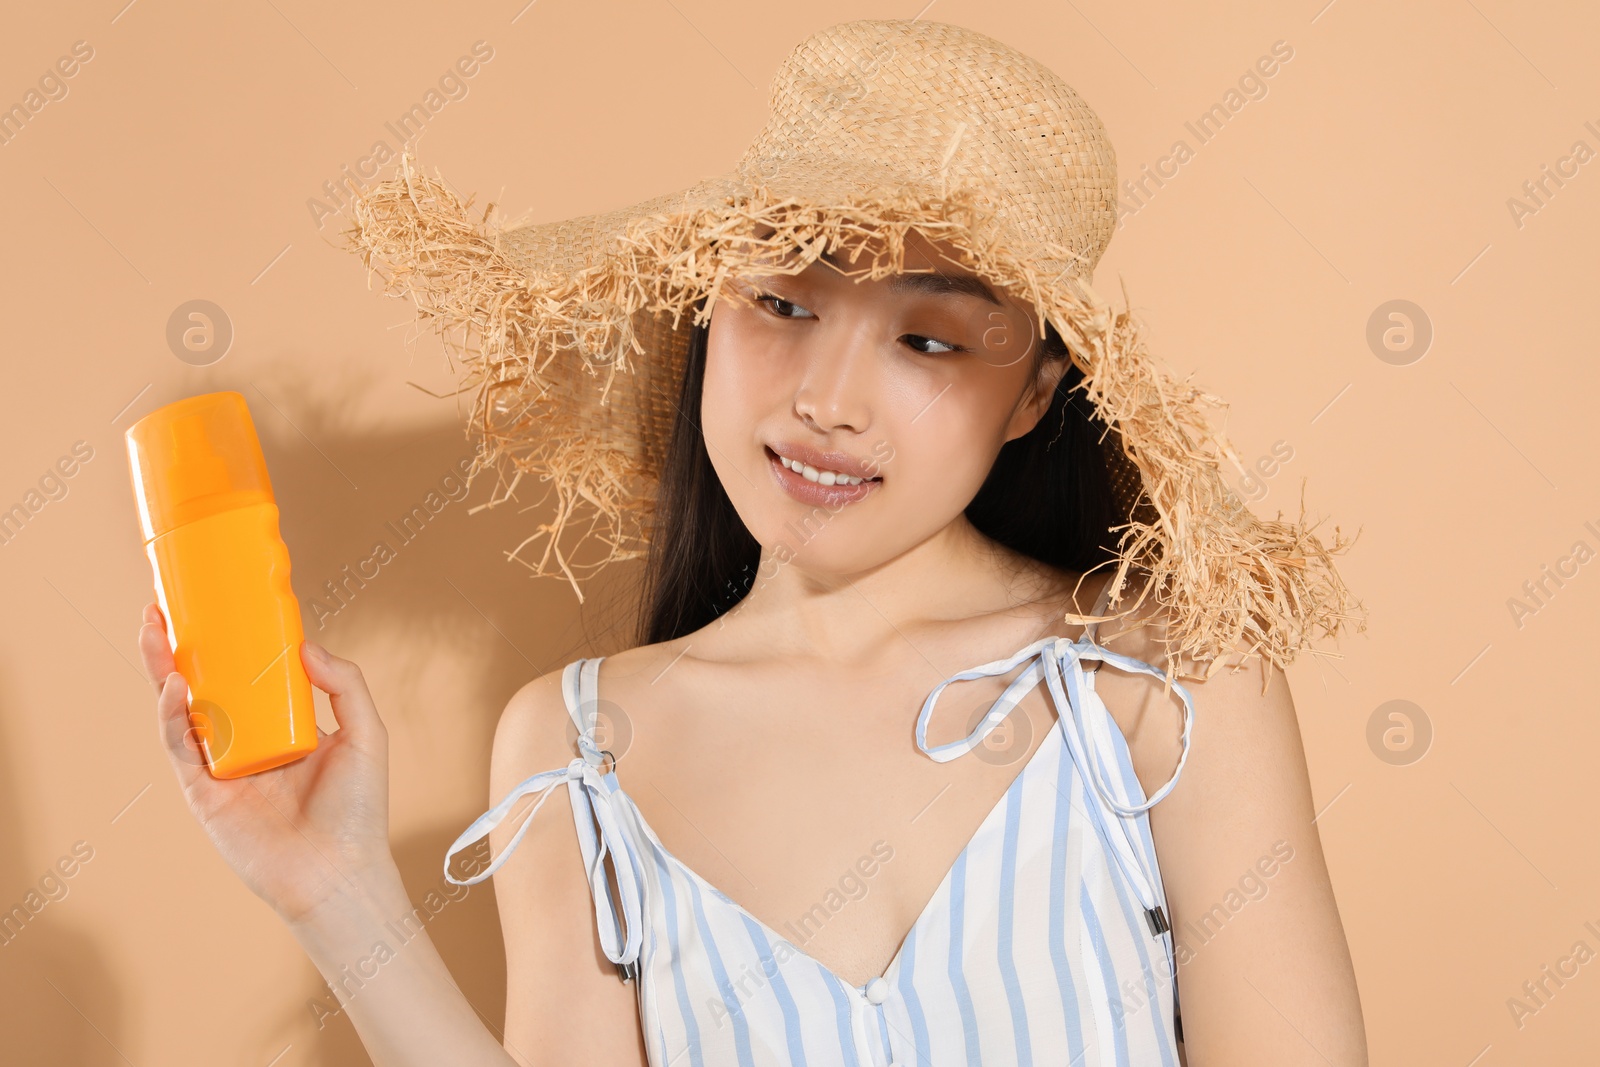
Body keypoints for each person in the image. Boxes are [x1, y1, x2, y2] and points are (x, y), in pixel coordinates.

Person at [138, 18, 1367, 1066]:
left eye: (929, 339)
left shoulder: (1160, 687)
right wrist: (334, 890)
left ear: (1036, 393)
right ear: (706, 314)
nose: (827, 399)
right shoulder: (578, 749)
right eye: (784, 301)